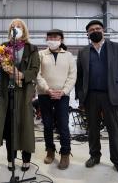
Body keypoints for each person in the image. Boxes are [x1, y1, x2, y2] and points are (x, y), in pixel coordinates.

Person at [75, 20, 118, 174]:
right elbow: (79, 77)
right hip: (91, 96)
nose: (95, 31)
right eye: (91, 30)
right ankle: (94, 156)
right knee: (92, 129)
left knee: (114, 129)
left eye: (98, 28)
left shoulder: (117, 47)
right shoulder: (83, 52)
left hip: (111, 95)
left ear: (103, 30)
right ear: (87, 34)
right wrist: (81, 96)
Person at [0, 19, 40, 172]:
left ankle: (26, 159)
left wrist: (21, 75)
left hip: (24, 91)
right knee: (8, 127)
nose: (15, 28)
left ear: (24, 30)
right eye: (13, 27)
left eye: (18, 26)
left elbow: (34, 69)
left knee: (24, 125)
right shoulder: (3, 47)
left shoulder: (32, 48)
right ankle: (10, 159)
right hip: (7, 91)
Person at [37, 29, 76, 170]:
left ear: (61, 39)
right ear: (46, 39)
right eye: (50, 37)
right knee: (47, 125)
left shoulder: (69, 56)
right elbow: (37, 74)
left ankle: (65, 153)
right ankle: (50, 151)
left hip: (62, 96)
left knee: (63, 125)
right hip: (44, 94)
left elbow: (72, 76)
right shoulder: (41, 54)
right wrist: (47, 89)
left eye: (56, 37)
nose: (53, 39)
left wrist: (63, 91)